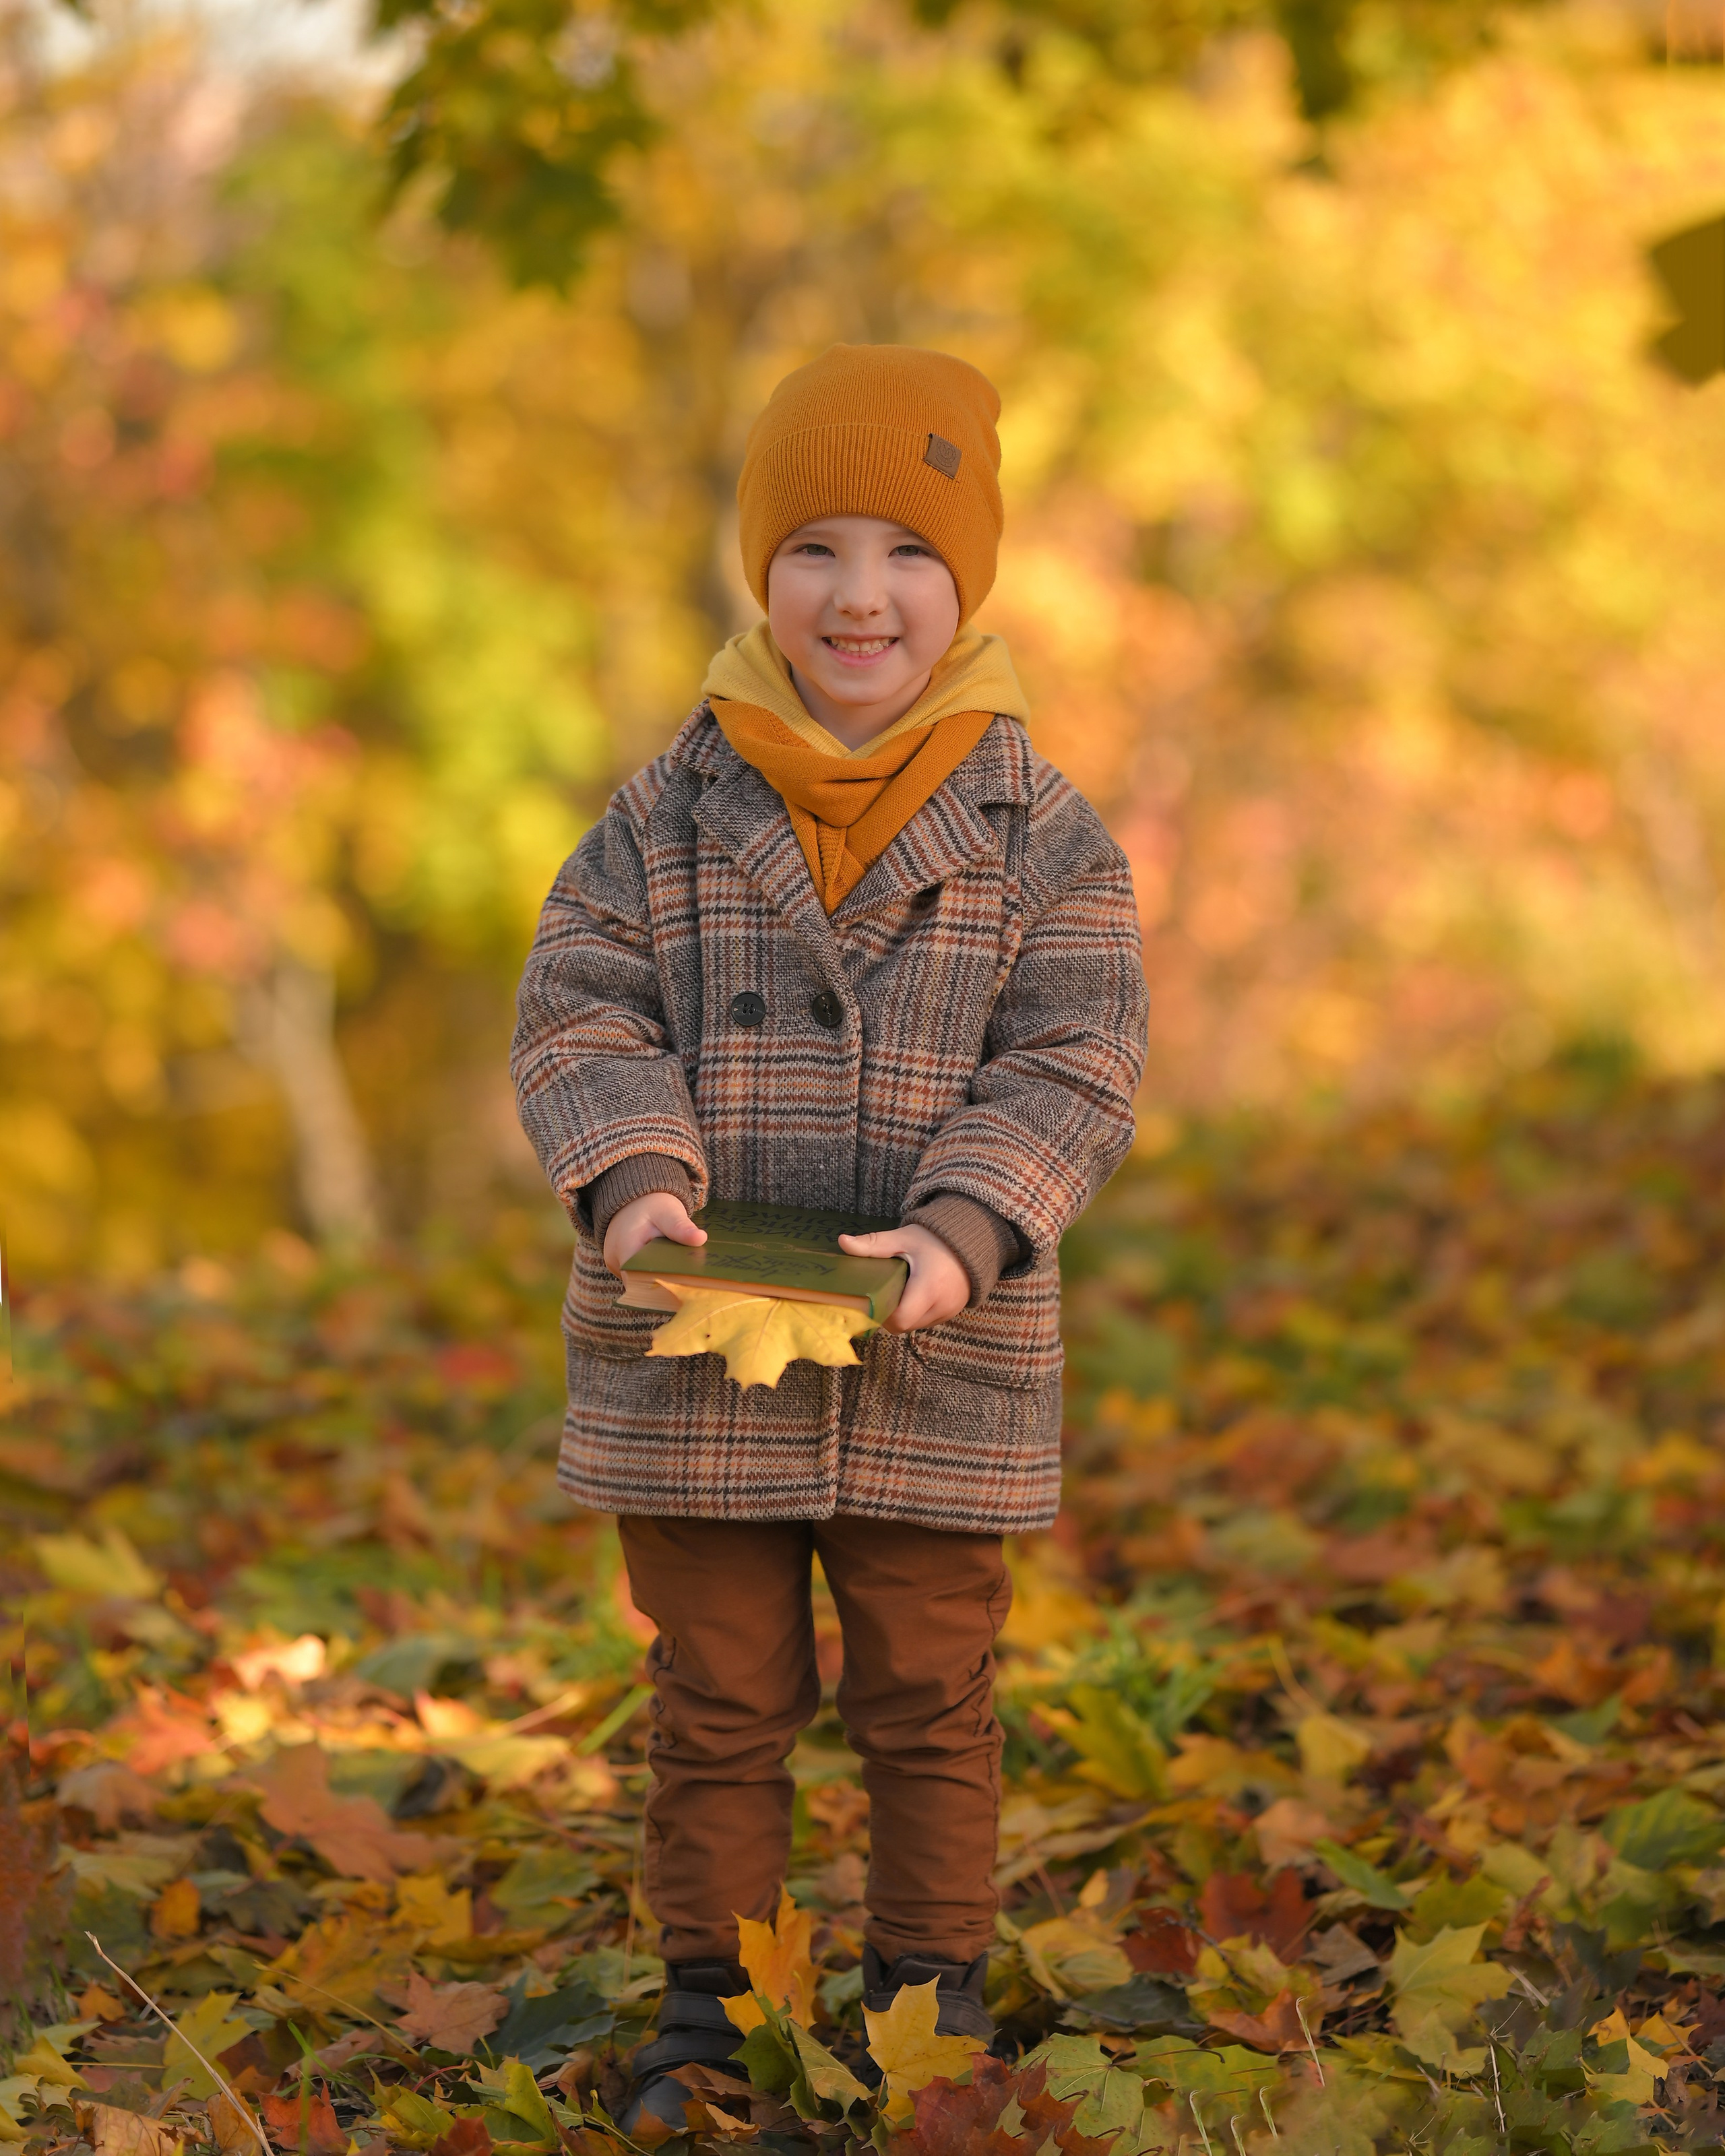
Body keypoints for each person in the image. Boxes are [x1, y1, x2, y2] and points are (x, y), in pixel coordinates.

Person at [512, 343, 1148, 2126]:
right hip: (694, 1351)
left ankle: (929, 2005)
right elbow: (580, 1012)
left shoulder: (1046, 838)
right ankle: (714, 2014)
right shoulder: (664, 812)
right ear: (759, 574)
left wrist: (964, 1232)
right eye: (814, 550)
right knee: (718, 1696)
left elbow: (1079, 1057)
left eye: (907, 553)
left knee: (932, 1696)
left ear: (971, 581)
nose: (859, 596)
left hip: (941, 1356)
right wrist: (634, 1179)